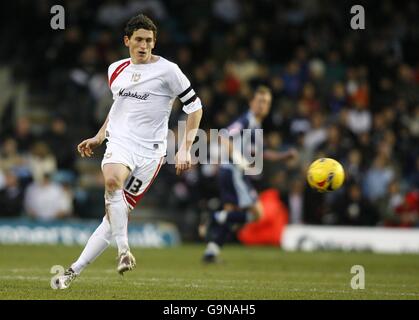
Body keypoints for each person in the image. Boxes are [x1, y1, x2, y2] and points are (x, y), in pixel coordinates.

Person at [55, 14, 203, 289]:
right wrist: (100, 136)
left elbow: (195, 107)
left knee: (111, 219)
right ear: (127, 41)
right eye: (138, 40)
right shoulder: (115, 70)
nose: (144, 45)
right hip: (121, 143)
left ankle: (73, 271)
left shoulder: (169, 71)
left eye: (149, 40)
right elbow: (118, 108)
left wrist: (184, 148)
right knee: (112, 182)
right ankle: (124, 251)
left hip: (151, 154)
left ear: (154, 42)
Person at [202, 85, 296, 263]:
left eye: (266, 102)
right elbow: (223, 136)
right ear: (252, 102)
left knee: (232, 215)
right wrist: (238, 159)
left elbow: (262, 153)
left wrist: (284, 155)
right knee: (257, 213)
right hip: (233, 173)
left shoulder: (255, 124)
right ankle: (214, 217)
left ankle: (211, 252)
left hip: (229, 172)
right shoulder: (247, 120)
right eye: (260, 101)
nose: (263, 105)